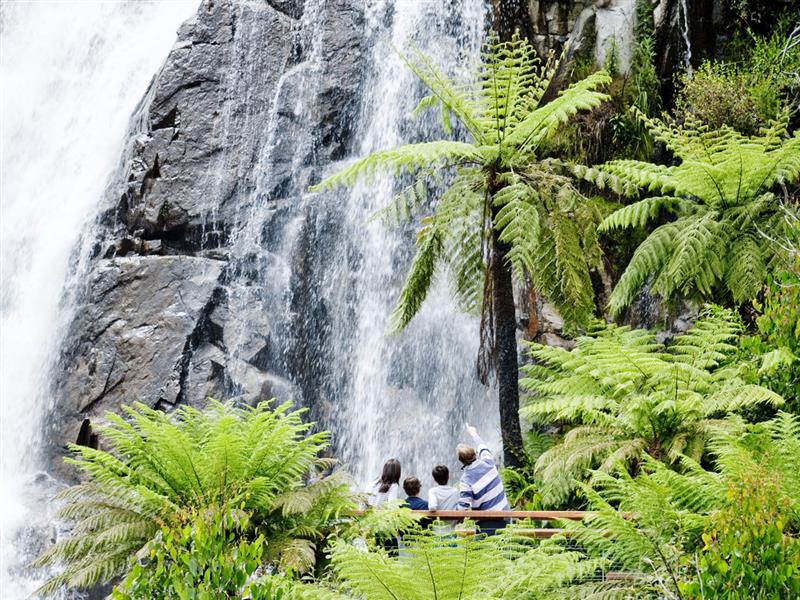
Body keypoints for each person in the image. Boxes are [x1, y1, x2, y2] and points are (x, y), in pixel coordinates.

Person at [456, 424, 509, 535]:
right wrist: (474, 433)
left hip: (486, 523)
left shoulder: (466, 480)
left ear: (461, 461)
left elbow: (462, 508)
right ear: (475, 453)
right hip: (505, 516)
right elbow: (482, 446)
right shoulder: (488, 461)